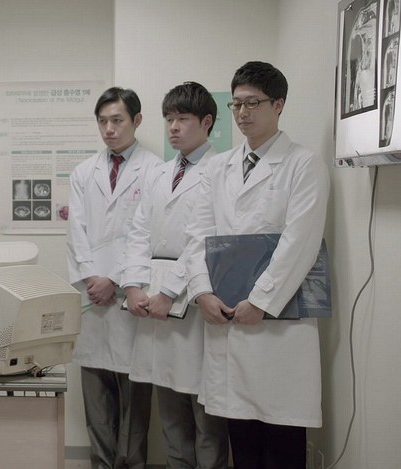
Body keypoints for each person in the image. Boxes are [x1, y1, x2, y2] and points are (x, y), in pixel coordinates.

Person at [184, 62, 330, 469]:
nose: (243, 113)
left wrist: (262, 301)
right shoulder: (218, 168)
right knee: (242, 440)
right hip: (226, 318)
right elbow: (197, 236)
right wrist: (201, 291)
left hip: (278, 325)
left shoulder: (304, 164)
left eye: (253, 103)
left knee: (282, 438)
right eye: (236, 104)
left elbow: (300, 244)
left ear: (278, 105)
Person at [121, 82, 228, 469]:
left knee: (205, 410)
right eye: (169, 119)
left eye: (183, 118)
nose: (174, 127)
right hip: (152, 301)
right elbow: (138, 232)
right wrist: (133, 286)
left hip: (194, 300)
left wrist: (169, 291)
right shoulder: (159, 173)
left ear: (207, 122)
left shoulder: (222, 170)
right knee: (168, 404)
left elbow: (204, 239)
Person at [66, 86, 162, 469]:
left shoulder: (155, 170)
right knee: (96, 396)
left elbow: (148, 235)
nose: (109, 129)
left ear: (136, 120)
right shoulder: (83, 172)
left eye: (117, 120)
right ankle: (101, 463)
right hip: (93, 298)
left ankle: (131, 464)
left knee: (134, 397)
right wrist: (93, 278)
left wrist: (115, 279)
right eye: (103, 121)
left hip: (129, 295)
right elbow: (76, 232)